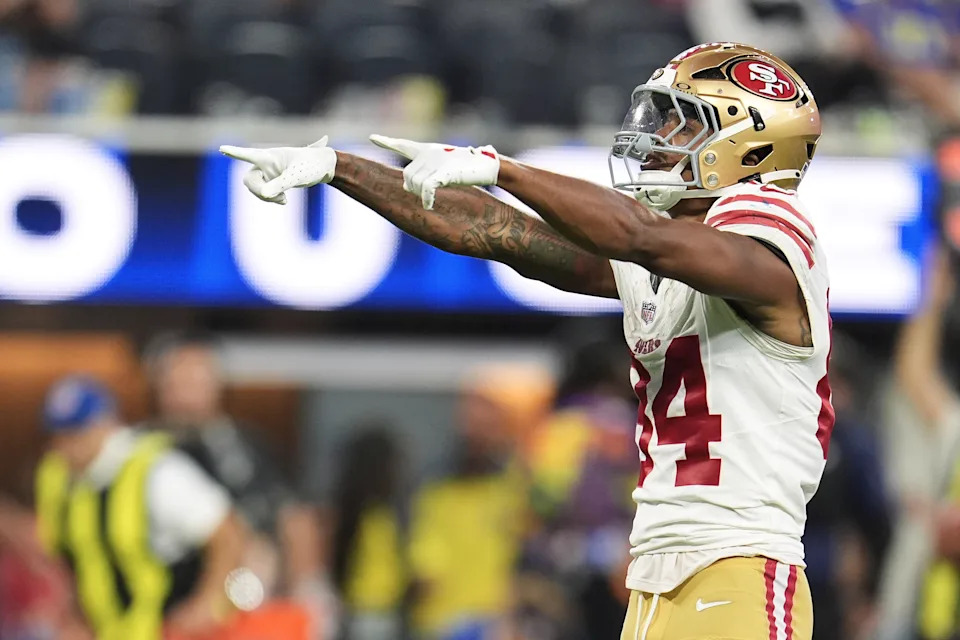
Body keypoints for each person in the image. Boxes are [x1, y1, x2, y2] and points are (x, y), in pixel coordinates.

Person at [223, 41, 831, 639]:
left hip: (741, 564)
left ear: (747, 146)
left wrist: (503, 168)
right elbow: (498, 233)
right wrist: (342, 169)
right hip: (658, 577)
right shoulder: (668, 251)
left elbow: (638, 236)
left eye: (683, 120)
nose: (661, 133)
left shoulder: (771, 236)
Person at [141, 331, 334, 632]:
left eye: (197, 381)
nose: (186, 393)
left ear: (216, 385)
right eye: (177, 382)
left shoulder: (246, 446)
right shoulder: (139, 451)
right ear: (159, 386)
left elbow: (295, 518)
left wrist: (310, 588)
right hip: (158, 609)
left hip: (241, 606)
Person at [34, 375, 247, 639]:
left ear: (105, 424)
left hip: (165, 631)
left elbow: (227, 533)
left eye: (76, 433)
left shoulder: (155, 470)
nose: (65, 446)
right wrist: (71, 616)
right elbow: (65, 556)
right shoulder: (56, 478)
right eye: (57, 434)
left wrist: (208, 602)